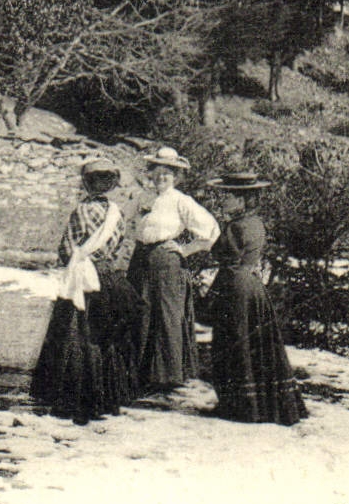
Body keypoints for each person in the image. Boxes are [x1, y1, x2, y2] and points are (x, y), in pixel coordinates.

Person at [30, 157, 142, 423]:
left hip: (82, 277)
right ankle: (106, 398)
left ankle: (73, 397)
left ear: (87, 184)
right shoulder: (118, 212)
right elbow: (119, 245)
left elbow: (67, 250)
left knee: (75, 333)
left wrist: (73, 258)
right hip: (107, 276)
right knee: (103, 336)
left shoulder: (81, 211)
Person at [203, 171, 308, 425]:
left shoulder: (235, 227)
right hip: (253, 286)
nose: (223, 200)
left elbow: (225, 260)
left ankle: (238, 406)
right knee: (254, 343)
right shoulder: (256, 223)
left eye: (228, 196)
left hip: (235, 287)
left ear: (242, 200)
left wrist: (212, 294)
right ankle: (258, 404)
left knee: (232, 342)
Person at [129, 146, 219, 392]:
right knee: (141, 312)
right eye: (156, 173)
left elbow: (211, 231)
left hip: (167, 263)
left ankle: (167, 376)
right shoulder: (143, 198)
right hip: (141, 261)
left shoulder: (181, 201)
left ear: (176, 177)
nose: (161, 178)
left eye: (166, 174)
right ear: (150, 173)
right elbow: (126, 221)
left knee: (166, 315)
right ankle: (141, 372)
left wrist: (185, 250)